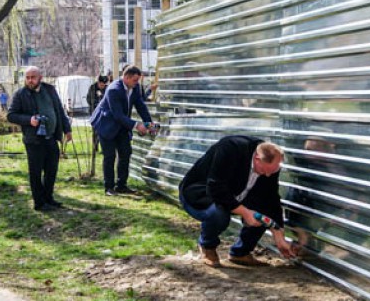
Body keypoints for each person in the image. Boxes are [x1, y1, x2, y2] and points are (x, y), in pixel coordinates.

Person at [179, 135, 296, 267]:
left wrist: (278, 235)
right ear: (257, 159)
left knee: (263, 213)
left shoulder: (270, 164)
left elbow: (271, 199)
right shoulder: (230, 148)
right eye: (264, 171)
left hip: (236, 196)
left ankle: (240, 253)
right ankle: (207, 246)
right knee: (219, 215)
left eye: (272, 172)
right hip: (202, 196)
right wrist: (245, 213)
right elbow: (216, 189)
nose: (268, 176)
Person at [7, 66, 72, 212]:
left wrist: (67, 129)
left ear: (40, 78)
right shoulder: (21, 94)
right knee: (36, 172)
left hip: (51, 137)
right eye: (27, 78)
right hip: (34, 140)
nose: (30, 81)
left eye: (33, 77)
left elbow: (59, 110)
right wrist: (29, 120)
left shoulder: (50, 90)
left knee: (51, 170)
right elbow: (11, 115)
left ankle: (49, 198)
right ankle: (39, 203)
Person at [90, 65, 152, 196]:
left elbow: (141, 106)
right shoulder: (114, 90)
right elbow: (117, 115)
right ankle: (109, 188)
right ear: (126, 77)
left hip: (121, 125)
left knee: (126, 153)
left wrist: (148, 123)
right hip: (106, 124)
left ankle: (121, 185)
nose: (137, 83)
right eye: (135, 80)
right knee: (110, 156)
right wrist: (137, 125)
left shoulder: (134, 88)